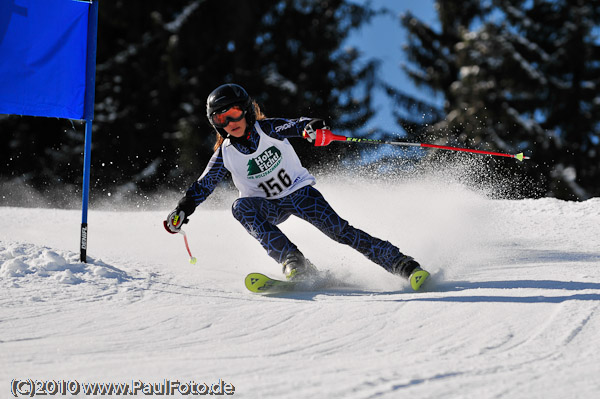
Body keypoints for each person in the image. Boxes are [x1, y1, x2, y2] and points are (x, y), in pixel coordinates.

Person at [164, 83, 429, 290]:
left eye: (233, 114)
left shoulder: (268, 129)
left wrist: (313, 128)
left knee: (339, 231)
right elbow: (203, 186)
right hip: (267, 206)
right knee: (240, 207)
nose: (231, 124)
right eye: (222, 120)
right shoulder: (225, 153)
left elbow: (298, 125)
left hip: (300, 194)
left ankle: (402, 264)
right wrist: (182, 210)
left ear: (245, 110)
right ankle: (294, 262)